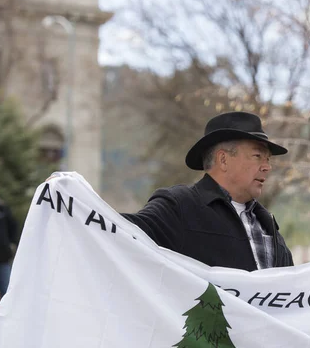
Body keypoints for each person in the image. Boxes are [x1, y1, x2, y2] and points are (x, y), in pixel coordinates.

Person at [122, 111, 295, 271]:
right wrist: (93, 211)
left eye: (268, 159)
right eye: (258, 156)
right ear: (223, 160)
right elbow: (119, 235)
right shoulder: (180, 207)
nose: (267, 167)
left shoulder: (269, 228)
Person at [0, 179, 18, 308]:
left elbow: (13, 227)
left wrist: (12, 245)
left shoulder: (2, 208)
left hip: (2, 259)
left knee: (7, 294)